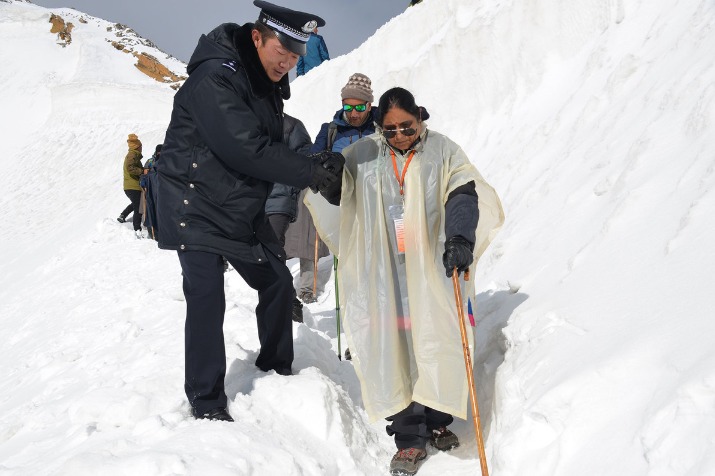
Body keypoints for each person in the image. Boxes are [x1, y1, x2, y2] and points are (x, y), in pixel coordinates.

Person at [154, 0, 343, 423]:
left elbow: (272, 143)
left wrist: (317, 163)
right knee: (207, 297)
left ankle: (276, 368)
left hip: (237, 206)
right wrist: (310, 173)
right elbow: (247, 148)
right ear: (257, 37)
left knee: (276, 281)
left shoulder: (265, 85)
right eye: (283, 52)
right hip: (194, 204)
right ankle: (206, 402)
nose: (288, 63)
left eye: (296, 57)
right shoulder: (215, 78)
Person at [306, 87, 505, 476]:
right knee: (394, 345)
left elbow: (462, 193)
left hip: (430, 262)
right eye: (391, 129)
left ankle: (437, 417)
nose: (399, 136)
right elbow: (338, 195)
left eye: (407, 128)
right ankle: (409, 436)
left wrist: (460, 238)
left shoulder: (443, 150)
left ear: (420, 119)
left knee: (436, 336)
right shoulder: (363, 152)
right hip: (382, 270)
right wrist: (328, 182)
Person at [264, 113, 313, 323]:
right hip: (248, 200)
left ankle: (288, 304)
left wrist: (290, 187)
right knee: (260, 256)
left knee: (272, 252)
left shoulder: (291, 126)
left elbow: (305, 160)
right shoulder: (243, 119)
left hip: (279, 199)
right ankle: (278, 302)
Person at [121, 133, 144, 238]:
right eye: (141, 146)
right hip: (132, 186)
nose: (141, 148)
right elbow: (130, 167)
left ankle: (123, 215)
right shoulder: (132, 155)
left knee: (136, 203)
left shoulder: (133, 155)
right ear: (137, 147)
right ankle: (137, 229)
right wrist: (142, 171)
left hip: (130, 185)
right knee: (139, 207)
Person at [140, 144, 161, 240]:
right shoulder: (151, 161)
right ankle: (152, 233)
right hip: (150, 190)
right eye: (158, 152)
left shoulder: (166, 160)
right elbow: (144, 175)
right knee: (150, 210)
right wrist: (144, 184)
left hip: (160, 191)